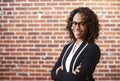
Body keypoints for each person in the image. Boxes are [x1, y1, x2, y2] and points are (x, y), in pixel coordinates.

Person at [51, 7, 101, 81]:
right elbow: (53, 73)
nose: (77, 27)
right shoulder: (67, 47)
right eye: (74, 23)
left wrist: (59, 72)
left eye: (82, 24)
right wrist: (71, 75)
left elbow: (77, 78)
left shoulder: (92, 49)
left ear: (89, 26)